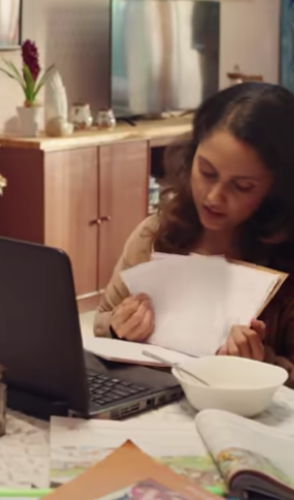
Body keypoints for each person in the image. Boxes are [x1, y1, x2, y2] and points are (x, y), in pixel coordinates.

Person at [93, 82, 294, 388]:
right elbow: (102, 321)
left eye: (242, 186)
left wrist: (264, 365)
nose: (213, 197)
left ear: (276, 189)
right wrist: (117, 325)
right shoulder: (155, 233)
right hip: (153, 404)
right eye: (207, 172)